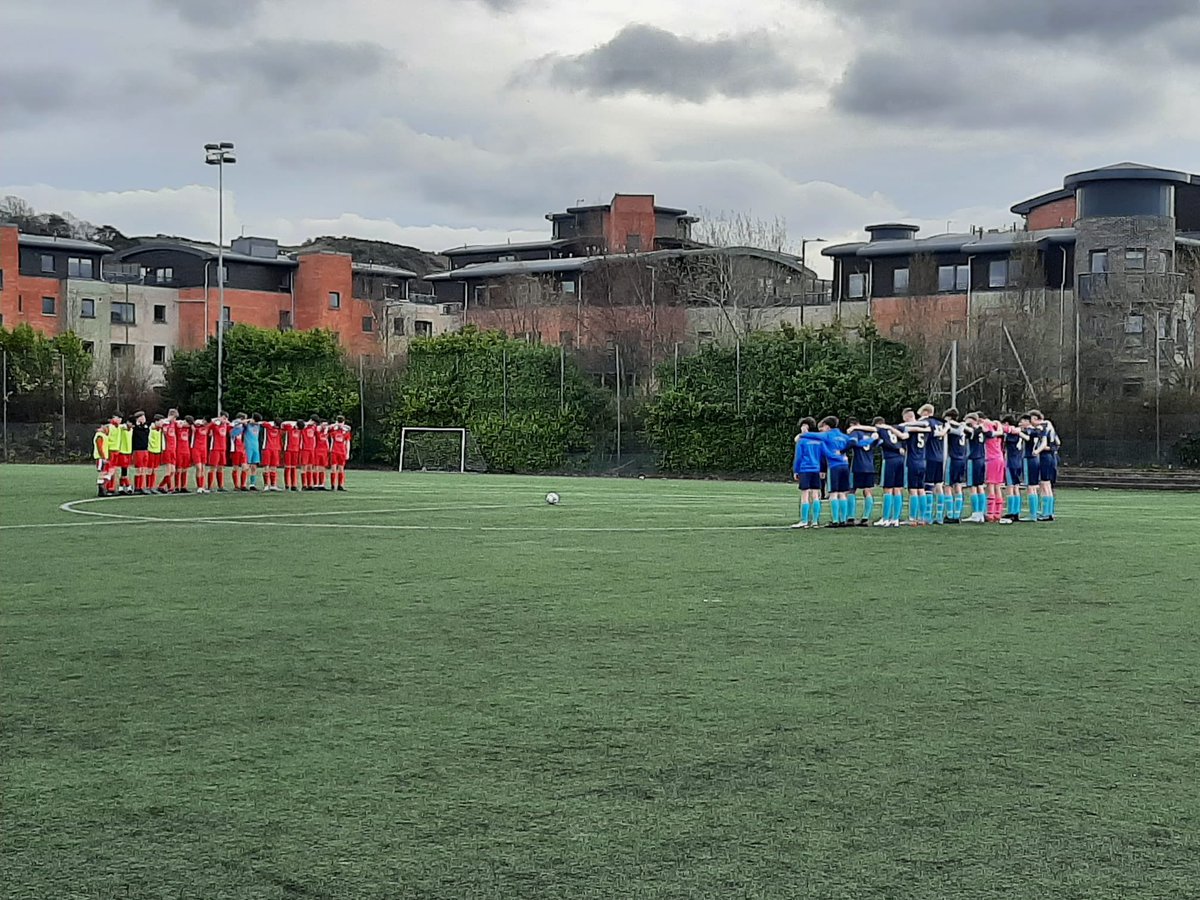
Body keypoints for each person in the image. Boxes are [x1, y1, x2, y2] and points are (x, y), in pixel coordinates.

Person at [798, 417, 855, 527]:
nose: (821, 430)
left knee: (833, 493)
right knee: (843, 493)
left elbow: (811, 436)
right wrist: (843, 452)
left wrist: (804, 432)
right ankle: (843, 520)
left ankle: (835, 520)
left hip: (834, 466)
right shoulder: (843, 436)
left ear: (827, 426)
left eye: (822, 427)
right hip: (845, 465)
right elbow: (853, 442)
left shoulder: (828, 435)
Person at [897, 408, 931, 525]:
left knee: (913, 490)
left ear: (906, 417)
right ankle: (922, 517)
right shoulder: (925, 428)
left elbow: (902, 429)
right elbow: (926, 425)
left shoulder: (908, 429)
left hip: (912, 460)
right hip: (923, 460)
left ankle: (912, 518)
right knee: (921, 489)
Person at [872, 416, 906, 527]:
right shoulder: (895, 428)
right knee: (898, 489)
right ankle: (895, 518)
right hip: (901, 460)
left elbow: (876, 440)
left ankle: (886, 518)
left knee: (888, 489)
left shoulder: (880, 430)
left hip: (890, 459)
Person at [791, 417, 824, 528]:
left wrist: (796, 470)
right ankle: (815, 521)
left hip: (805, 469)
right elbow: (822, 456)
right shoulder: (818, 440)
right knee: (815, 495)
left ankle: (804, 520)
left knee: (805, 495)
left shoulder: (802, 440)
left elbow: (798, 456)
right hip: (816, 469)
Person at [845, 417, 878, 526]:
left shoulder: (855, 433)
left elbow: (853, 443)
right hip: (870, 466)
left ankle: (850, 518)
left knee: (851, 491)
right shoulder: (870, 433)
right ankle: (866, 518)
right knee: (867, 491)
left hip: (858, 465)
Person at [918, 404, 947, 524]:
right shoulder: (940, 423)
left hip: (929, 457)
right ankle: (939, 516)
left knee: (928, 486)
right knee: (939, 485)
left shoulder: (927, 422)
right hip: (940, 457)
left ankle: (928, 516)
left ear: (925, 412)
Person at [1030, 410, 1059, 521]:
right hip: (1051, 456)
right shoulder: (1050, 426)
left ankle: (1046, 513)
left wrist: (1037, 450)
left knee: (1044, 484)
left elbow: (1045, 443)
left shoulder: (1043, 426)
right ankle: (1049, 512)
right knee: (1047, 485)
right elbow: (1058, 442)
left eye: (1032, 419)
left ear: (1037, 419)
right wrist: (1052, 448)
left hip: (1045, 457)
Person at [944, 409, 969, 524]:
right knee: (958, 485)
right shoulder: (962, 427)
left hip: (953, 458)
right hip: (962, 459)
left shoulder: (953, 428)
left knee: (948, 486)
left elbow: (953, 431)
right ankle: (957, 514)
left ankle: (950, 515)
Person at [963, 412, 988, 523]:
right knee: (980, 486)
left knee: (973, 487)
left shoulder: (973, 430)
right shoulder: (982, 430)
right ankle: (981, 513)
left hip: (973, 459)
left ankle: (976, 513)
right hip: (982, 458)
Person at [1002, 415, 1026, 522]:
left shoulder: (1011, 435)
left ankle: (1011, 512)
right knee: (1016, 487)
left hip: (1011, 462)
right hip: (1018, 461)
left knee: (1010, 487)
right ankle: (1016, 512)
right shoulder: (1020, 434)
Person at [983, 415, 1007, 522]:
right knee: (997, 486)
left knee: (991, 485)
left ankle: (990, 513)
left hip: (992, 459)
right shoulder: (998, 428)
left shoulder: (988, 428)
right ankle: (998, 513)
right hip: (1000, 458)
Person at [206, 413, 230, 492]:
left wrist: (227, 422)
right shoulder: (214, 425)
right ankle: (209, 487)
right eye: (223, 418)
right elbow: (208, 427)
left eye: (225, 418)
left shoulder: (226, 425)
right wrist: (216, 420)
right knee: (213, 467)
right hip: (215, 448)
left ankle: (221, 486)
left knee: (221, 468)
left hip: (223, 449)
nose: (224, 420)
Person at [330, 415, 351, 491]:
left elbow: (347, 442)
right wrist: (336, 425)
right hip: (334, 451)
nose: (340, 424)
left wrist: (347, 453)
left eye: (341, 422)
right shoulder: (333, 431)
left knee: (341, 469)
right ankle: (333, 485)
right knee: (333, 469)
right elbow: (332, 441)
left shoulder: (346, 432)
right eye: (339, 422)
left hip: (342, 452)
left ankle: (340, 485)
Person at [93, 424, 115, 497]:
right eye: (106, 427)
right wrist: (103, 457)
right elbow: (100, 448)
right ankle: (101, 489)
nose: (107, 429)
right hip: (100, 458)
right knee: (103, 473)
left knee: (107, 472)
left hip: (103, 457)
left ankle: (102, 488)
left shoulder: (103, 435)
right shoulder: (99, 436)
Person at [260, 417, 281, 491]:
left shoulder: (280, 429)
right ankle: (266, 485)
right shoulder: (268, 427)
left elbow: (288, 426)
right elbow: (262, 423)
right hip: (267, 448)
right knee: (266, 466)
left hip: (276, 449)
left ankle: (273, 485)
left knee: (274, 467)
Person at [243, 414, 263, 491]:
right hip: (248, 447)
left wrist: (256, 422)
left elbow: (264, 423)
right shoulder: (247, 425)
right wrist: (249, 420)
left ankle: (252, 484)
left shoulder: (258, 425)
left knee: (254, 466)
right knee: (246, 466)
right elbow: (241, 422)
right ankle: (243, 484)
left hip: (256, 447)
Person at [281, 418, 302, 491]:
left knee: (294, 468)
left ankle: (294, 485)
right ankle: (287, 485)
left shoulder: (300, 430)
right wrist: (293, 424)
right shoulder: (289, 428)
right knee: (287, 467)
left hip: (296, 450)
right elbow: (283, 424)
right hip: (288, 450)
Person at [229, 414, 249, 490]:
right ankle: (236, 486)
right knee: (235, 468)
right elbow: (235, 422)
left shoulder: (243, 428)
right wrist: (244, 421)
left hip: (242, 449)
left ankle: (243, 485)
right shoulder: (234, 425)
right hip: (235, 449)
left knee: (245, 467)